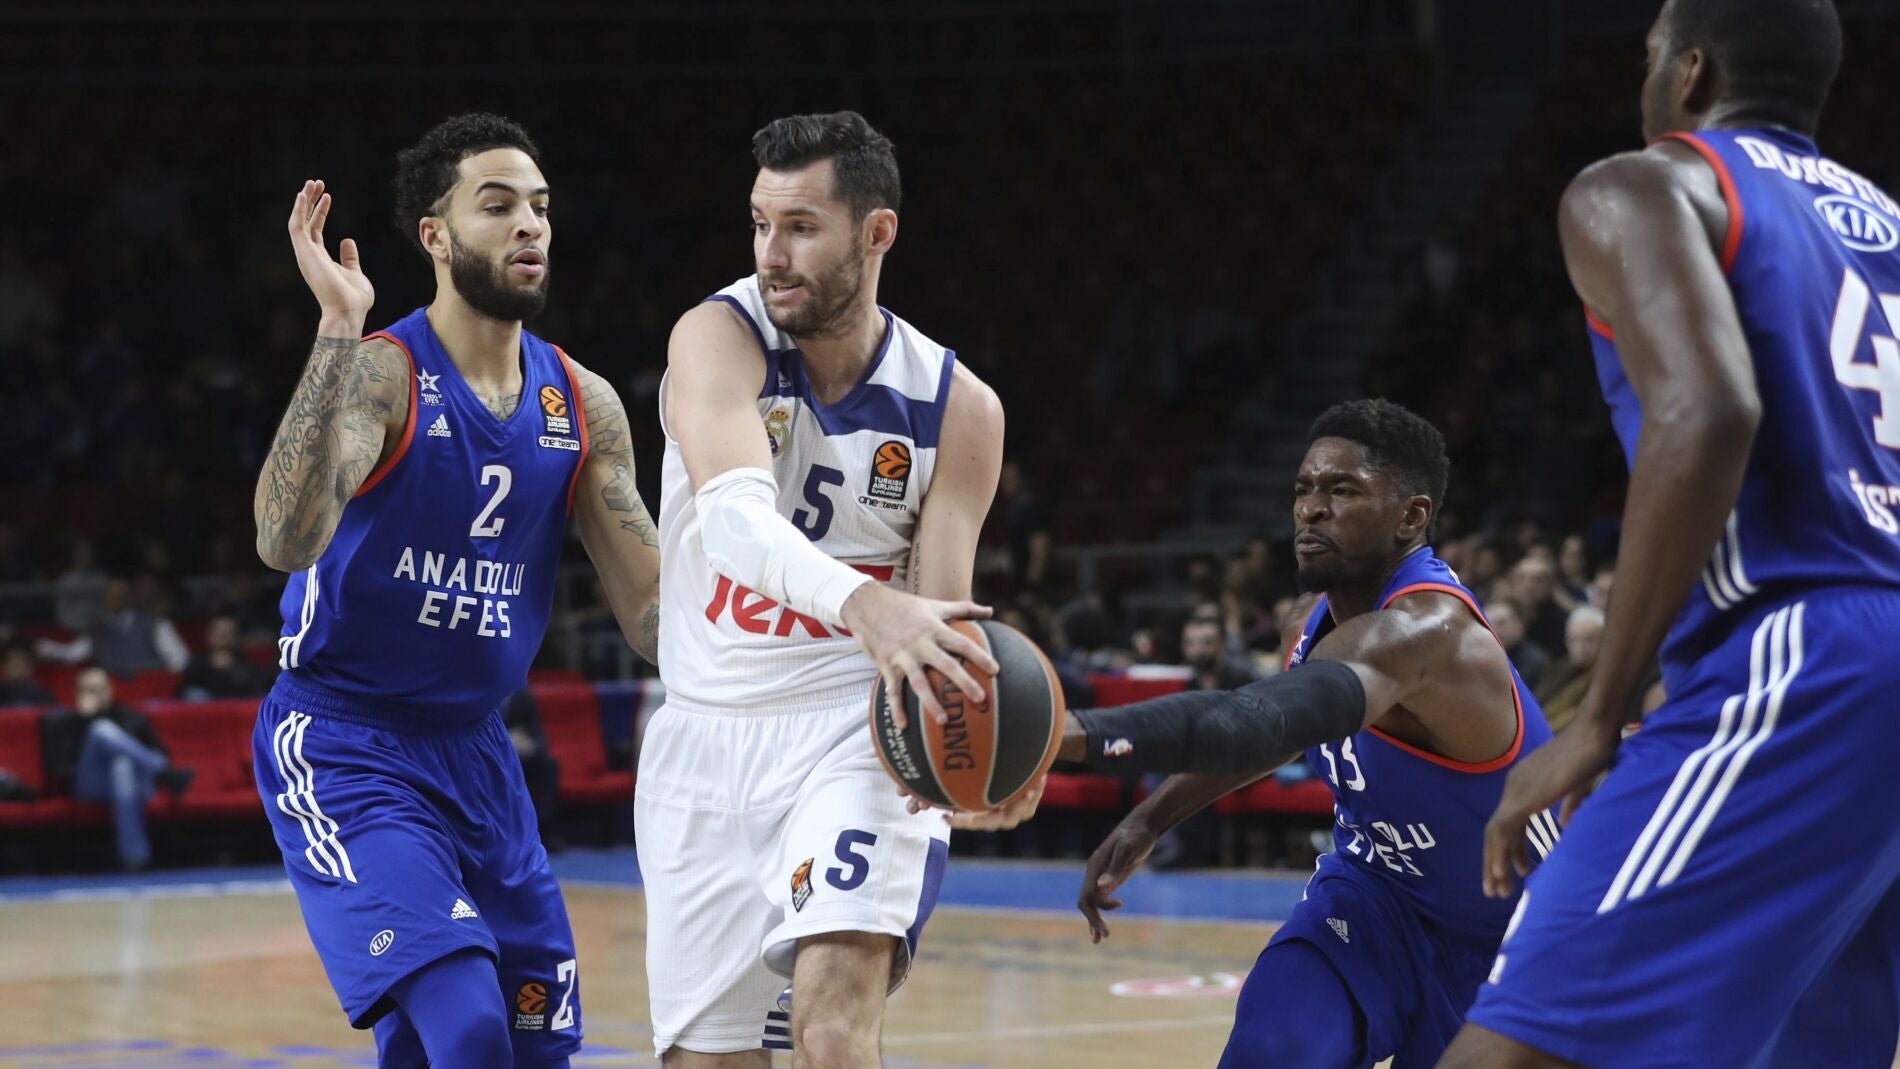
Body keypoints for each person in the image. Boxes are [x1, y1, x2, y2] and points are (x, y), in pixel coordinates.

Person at [1439, 2, 1900, 1065]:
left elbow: (1708, 410)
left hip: (1803, 651)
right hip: (1868, 654)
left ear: (1689, 71)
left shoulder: (1644, 183)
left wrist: (1598, 716)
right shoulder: (1882, 222)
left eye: (1648, 51)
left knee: (1527, 1038)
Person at [960, 400, 1560, 1067]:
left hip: (1513, 937)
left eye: (1342, 489)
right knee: (1273, 1046)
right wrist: (1151, 817)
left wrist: (1062, 734)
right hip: (1374, 898)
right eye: (1303, 488)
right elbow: (1275, 736)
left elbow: (1245, 719)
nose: (1311, 508)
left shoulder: (1429, 639)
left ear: (1411, 516)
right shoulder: (1313, 624)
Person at [251, 113, 662, 1069]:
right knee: (470, 1026)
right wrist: (337, 331)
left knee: (527, 1044)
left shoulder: (581, 401)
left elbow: (651, 615)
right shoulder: (383, 377)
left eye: (541, 207)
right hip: (347, 743)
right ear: (434, 235)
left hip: (480, 759)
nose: (531, 226)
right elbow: (283, 537)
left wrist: (812, 637)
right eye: (498, 205)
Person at [643, 110, 1004, 1067]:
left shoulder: (956, 408)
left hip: (855, 728)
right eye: (761, 224)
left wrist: (988, 741)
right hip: (703, 734)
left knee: (834, 1028)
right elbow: (733, 524)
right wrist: (867, 602)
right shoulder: (716, 337)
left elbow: (940, 617)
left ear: (875, 233)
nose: (773, 253)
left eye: (802, 226)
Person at [40, 667, 194, 870]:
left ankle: (134, 859)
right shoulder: (64, 722)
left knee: (122, 765)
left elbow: (161, 752)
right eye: (88, 689)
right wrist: (86, 719)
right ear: (77, 693)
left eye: (98, 688)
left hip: (134, 784)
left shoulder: (131, 717)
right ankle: (165, 773)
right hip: (88, 785)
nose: (94, 694)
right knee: (101, 729)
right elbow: (57, 767)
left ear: (109, 690)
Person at [35, 574, 190, 676]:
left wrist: (162, 683)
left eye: (119, 595)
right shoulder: (96, 629)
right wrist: (47, 647)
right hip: (115, 697)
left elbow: (180, 660)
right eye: (110, 595)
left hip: (152, 692)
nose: (114, 599)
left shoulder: (156, 624)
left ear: (128, 597)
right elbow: (73, 653)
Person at [178, 615, 274, 700]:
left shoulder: (249, 667)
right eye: (219, 633)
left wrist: (230, 670)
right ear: (209, 636)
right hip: (205, 713)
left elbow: (257, 690)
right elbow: (184, 691)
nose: (223, 637)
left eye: (228, 633)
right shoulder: (197, 664)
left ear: (237, 637)